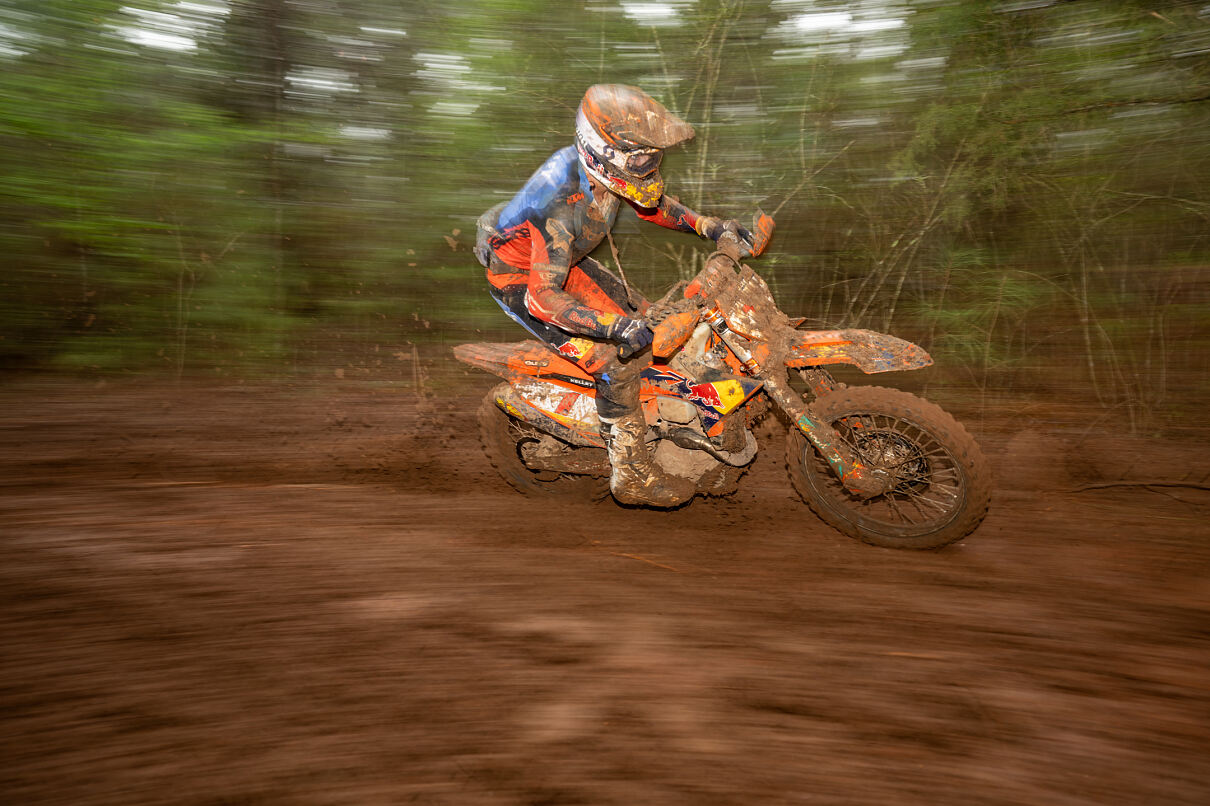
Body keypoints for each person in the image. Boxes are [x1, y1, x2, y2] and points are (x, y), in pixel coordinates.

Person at [474, 84, 753, 508]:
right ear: (602, 150)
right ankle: (631, 474)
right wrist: (614, 327)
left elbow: (651, 204)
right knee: (614, 362)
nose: (649, 164)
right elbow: (542, 298)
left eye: (652, 156)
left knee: (651, 320)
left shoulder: (607, 172)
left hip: (567, 262)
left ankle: (675, 427)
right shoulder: (559, 202)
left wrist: (710, 227)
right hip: (524, 281)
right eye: (640, 157)